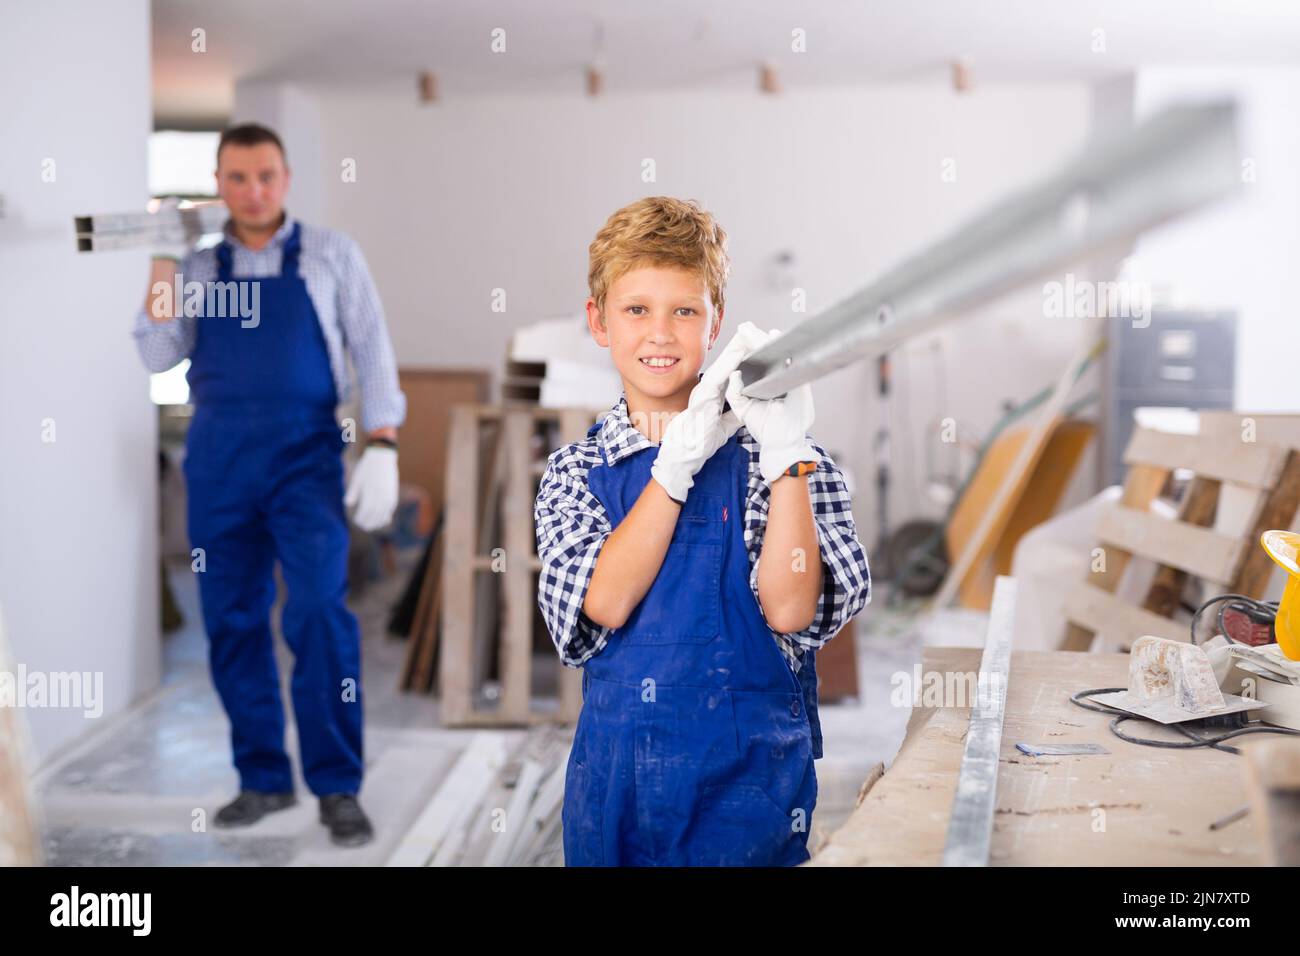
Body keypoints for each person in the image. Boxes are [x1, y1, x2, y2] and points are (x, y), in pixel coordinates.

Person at [534, 196, 871, 866]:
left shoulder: (779, 460)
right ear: (598, 322)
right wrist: (676, 464)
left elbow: (791, 606)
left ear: (715, 322)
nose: (660, 333)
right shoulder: (577, 471)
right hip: (616, 794)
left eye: (684, 310)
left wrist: (785, 460)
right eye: (637, 310)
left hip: (751, 789)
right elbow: (604, 601)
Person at [133, 123, 405, 847]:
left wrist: (383, 440)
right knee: (231, 618)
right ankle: (261, 777)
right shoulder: (194, 267)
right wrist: (161, 257)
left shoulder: (329, 255)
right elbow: (158, 350)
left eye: (265, 176)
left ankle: (337, 785)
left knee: (317, 611)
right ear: (218, 185)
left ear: (285, 179)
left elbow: (372, 344)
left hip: (305, 455)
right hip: (219, 456)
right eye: (237, 179)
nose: (252, 191)